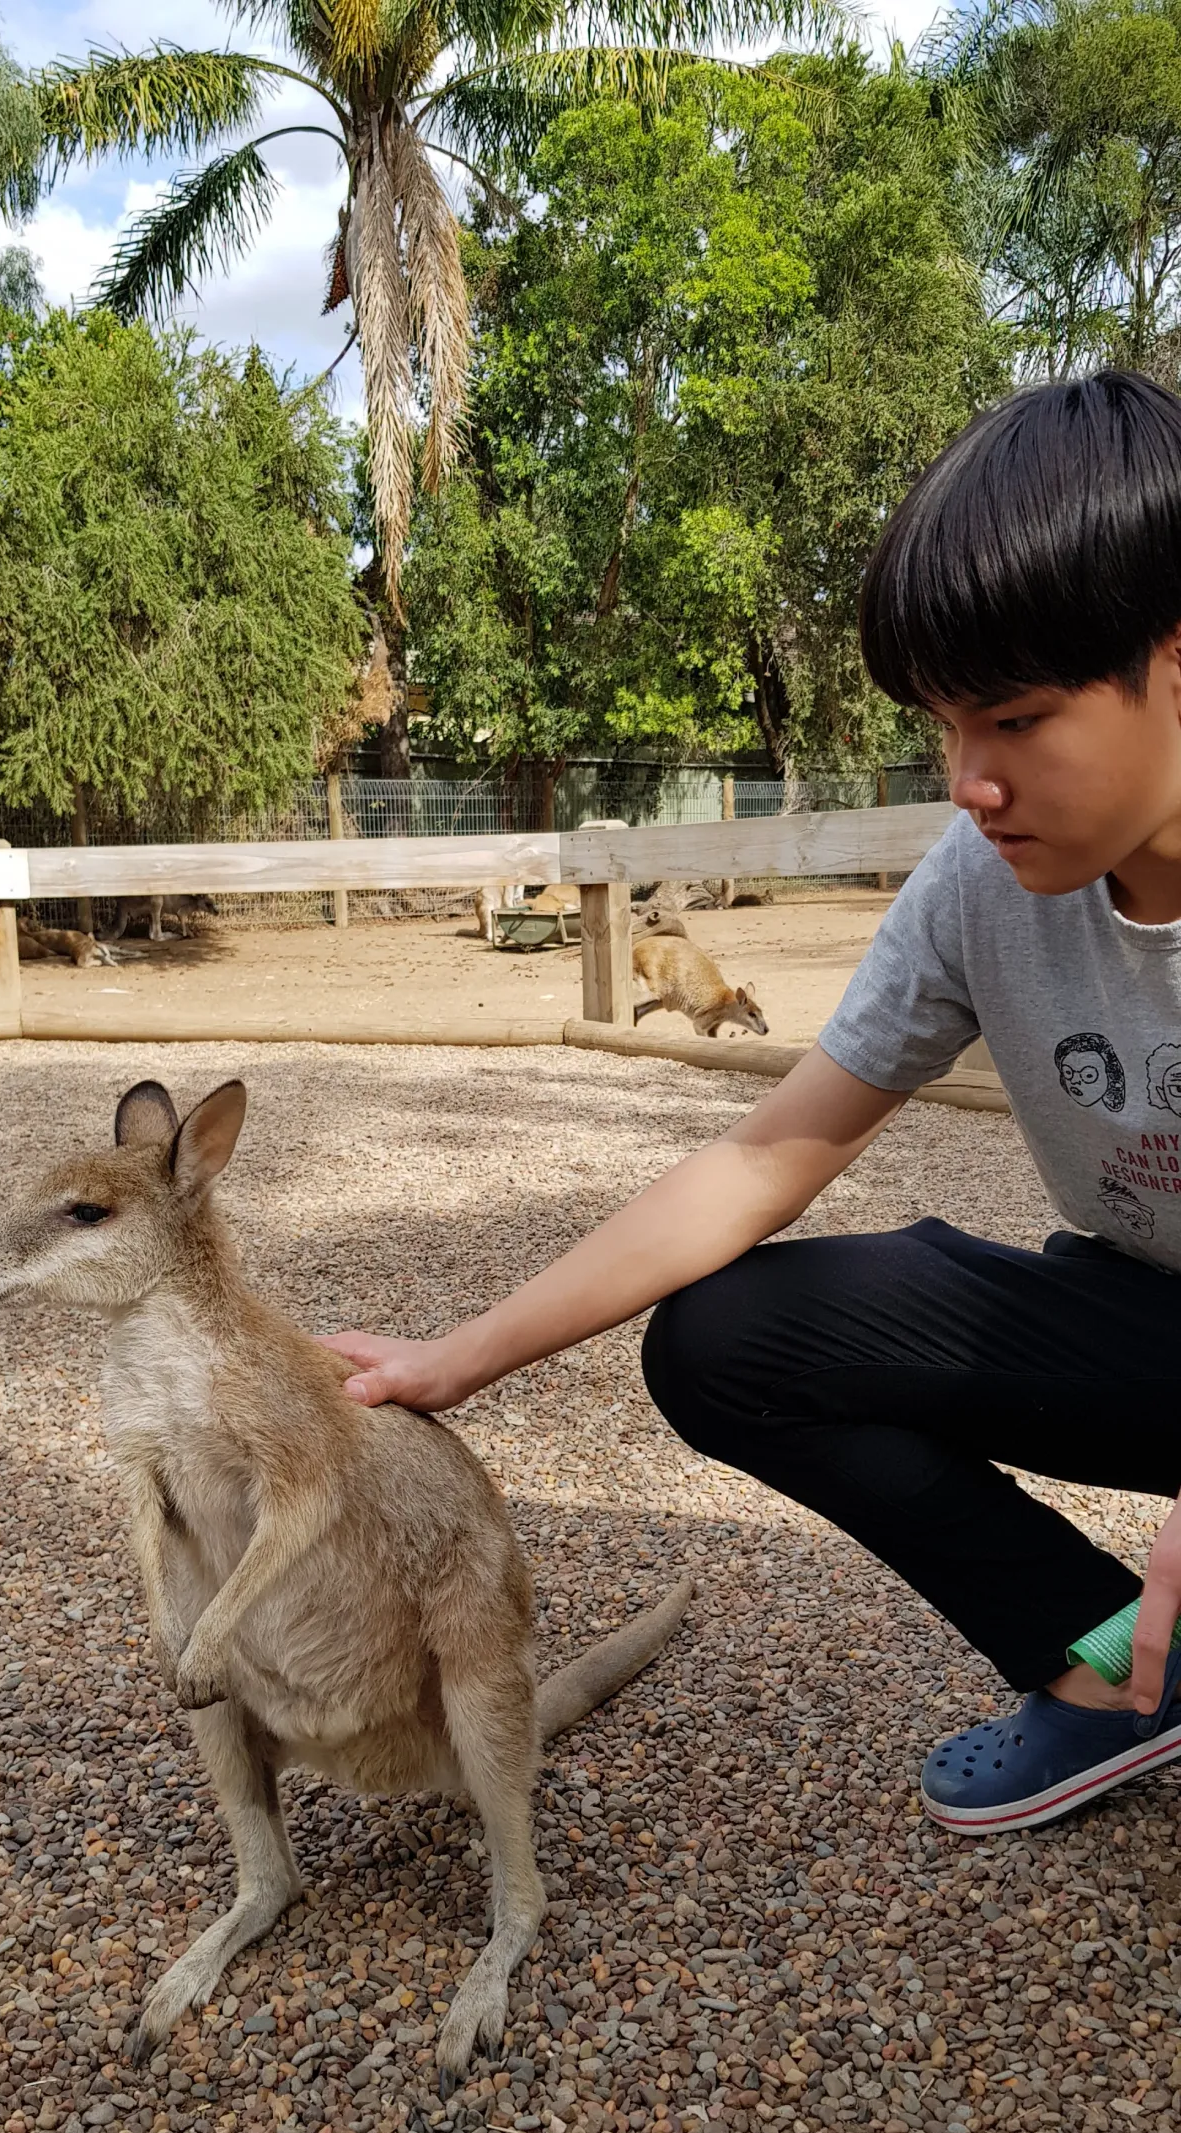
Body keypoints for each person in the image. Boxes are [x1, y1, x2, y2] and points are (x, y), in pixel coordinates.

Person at [322, 369, 1181, 1835]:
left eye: (1019, 720)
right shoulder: (982, 887)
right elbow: (768, 1154)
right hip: (1151, 1325)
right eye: (941, 726)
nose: (969, 782)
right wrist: (455, 1360)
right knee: (728, 1342)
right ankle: (1121, 1673)